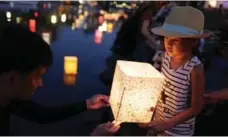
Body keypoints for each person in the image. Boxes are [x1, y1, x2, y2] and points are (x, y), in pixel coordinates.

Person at [0, 24, 120, 136]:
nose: (40, 84)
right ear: (13, 78)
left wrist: (87, 103)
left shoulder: (9, 98)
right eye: (37, 77)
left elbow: (42, 115)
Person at [138, 6, 210, 136]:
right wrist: (148, 113)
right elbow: (159, 88)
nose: (168, 44)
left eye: (175, 40)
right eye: (166, 38)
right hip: (158, 122)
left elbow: (196, 108)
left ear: (193, 42)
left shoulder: (195, 68)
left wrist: (168, 124)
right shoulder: (165, 57)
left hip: (177, 131)